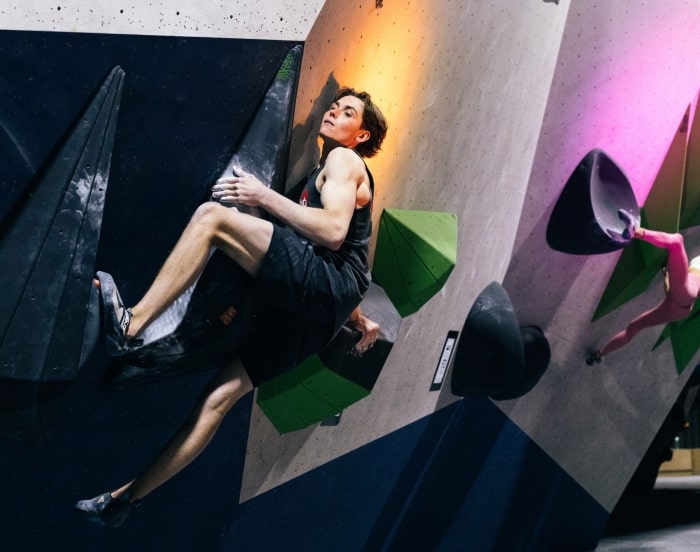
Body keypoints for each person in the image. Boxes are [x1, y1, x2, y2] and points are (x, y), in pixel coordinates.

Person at [75, 87, 388, 527]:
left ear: (361, 135)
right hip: (319, 319)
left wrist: (260, 196)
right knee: (219, 399)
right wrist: (355, 315)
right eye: (334, 105)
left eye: (348, 111)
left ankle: (130, 325)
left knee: (213, 218)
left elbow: (334, 233)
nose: (335, 110)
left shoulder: (344, 161)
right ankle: (124, 501)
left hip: (324, 292)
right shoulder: (325, 170)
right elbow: (348, 258)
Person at [586, 215, 700, 365]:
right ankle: (599, 354)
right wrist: (669, 281)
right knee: (634, 326)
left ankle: (636, 231)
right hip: (680, 302)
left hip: (686, 295)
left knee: (677, 241)